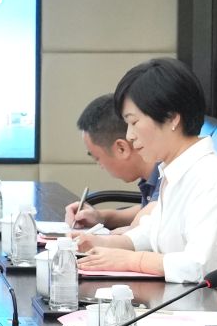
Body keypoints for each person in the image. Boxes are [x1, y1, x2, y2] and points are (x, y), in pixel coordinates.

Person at [75, 58, 217, 276]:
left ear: (171, 118)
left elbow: (203, 266)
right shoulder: (176, 170)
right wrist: (101, 242)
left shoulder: (210, 177)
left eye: (134, 122)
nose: (130, 135)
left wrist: (131, 260)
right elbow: (153, 231)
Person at [62, 93, 159, 232]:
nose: (101, 166)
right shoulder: (153, 178)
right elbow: (149, 210)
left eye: (97, 158)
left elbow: (146, 227)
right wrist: (101, 217)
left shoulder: (170, 176)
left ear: (121, 148)